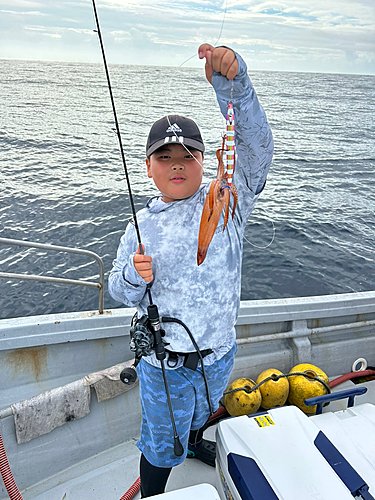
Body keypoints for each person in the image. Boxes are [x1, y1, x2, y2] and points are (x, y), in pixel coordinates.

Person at [108, 43, 273, 498]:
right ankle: (155, 491)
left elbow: (254, 148)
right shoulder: (140, 226)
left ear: (205, 162)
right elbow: (118, 290)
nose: (177, 163)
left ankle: (196, 437)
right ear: (148, 168)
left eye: (188, 155)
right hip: (165, 366)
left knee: (203, 414)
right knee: (160, 448)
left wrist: (234, 87)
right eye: (165, 157)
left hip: (219, 353)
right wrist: (132, 277)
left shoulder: (229, 199)